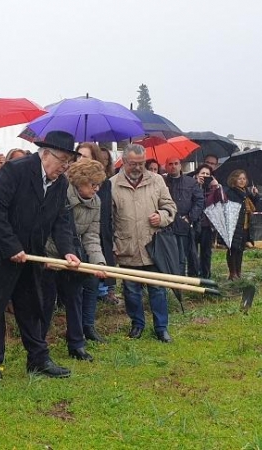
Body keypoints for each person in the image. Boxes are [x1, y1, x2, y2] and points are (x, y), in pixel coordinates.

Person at [0, 130, 81, 383]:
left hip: (30, 255)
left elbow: (61, 220)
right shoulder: (15, 171)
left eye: (68, 162)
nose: (64, 167)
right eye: (62, 160)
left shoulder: (60, 183)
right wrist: (11, 246)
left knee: (32, 308)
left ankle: (38, 360)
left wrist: (68, 250)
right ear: (46, 154)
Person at [43, 159, 108, 362]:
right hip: (48, 255)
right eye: (92, 185)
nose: (96, 189)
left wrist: (99, 263)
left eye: (98, 185)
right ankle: (38, 346)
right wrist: (45, 258)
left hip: (72, 256)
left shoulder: (96, 203)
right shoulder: (60, 194)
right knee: (45, 301)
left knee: (74, 298)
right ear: (80, 182)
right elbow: (46, 229)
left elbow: (91, 236)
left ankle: (76, 344)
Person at [111, 144, 177, 343]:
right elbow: (108, 219)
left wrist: (162, 216)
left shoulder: (157, 181)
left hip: (152, 245)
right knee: (131, 291)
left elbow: (170, 206)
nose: (138, 167)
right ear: (124, 162)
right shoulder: (112, 184)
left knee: (157, 288)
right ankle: (137, 325)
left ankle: (161, 328)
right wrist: (113, 245)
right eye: (133, 164)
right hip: (127, 246)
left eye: (141, 163)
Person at [164, 157, 204, 276]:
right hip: (166, 224)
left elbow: (199, 200)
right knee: (168, 255)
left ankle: (181, 281)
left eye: (176, 163)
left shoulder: (190, 182)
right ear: (166, 166)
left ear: (180, 165)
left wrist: (190, 217)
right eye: (170, 163)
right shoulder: (162, 182)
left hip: (183, 225)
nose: (173, 166)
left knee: (182, 256)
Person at [224, 170, 261, 279]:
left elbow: (255, 205)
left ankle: (238, 272)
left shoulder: (247, 192)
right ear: (234, 180)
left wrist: (255, 195)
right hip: (234, 225)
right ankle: (232, 273)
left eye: (244, 179)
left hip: (245, 225)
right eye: (239, 178)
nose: (242, 181)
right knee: (233, 249)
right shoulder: (231, 192)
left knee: (240, 250)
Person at [97, 146, 120, 305]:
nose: (104, 162)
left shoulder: (108, 183)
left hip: (105, 226)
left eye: (107, 159)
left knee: (107, 257)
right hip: (91, 226)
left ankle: (107, 290)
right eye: (101, 158)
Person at [194, 164, 226, 278]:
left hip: (207, 225)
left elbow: (223, 201)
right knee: (192, 252)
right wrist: (197, 184)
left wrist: (217, 187)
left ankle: (206, 275)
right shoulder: (192, 185)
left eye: (208, 174)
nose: (205, 176)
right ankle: (193, 275)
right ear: (197, 174)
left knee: (206, 252)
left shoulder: (215, 188)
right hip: (194, 223)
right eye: (203, 173)